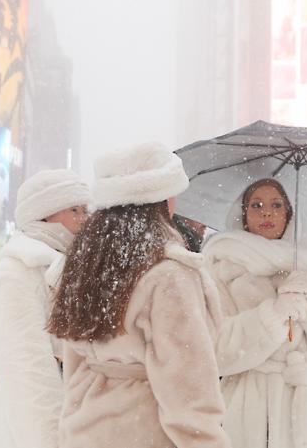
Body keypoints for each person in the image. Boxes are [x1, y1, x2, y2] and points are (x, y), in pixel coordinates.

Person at [48, 142, 229, 448]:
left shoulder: (86, 264)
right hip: (145, 429)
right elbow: (186, 384)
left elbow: (74, 360)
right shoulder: (169, 273)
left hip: (85, 429)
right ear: (159, 199)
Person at [203, 178, 307, 448]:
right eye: (256, 205)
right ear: (243, 215)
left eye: (276, 204)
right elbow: (215, 352)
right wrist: (273, 315)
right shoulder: (221, 269)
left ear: (289, 214)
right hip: (247, 412)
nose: (266, 212)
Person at [0, 169, 91, 448]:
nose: (85, 219)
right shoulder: (17, 276)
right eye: (74, 210)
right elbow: (29, 375)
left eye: (86, 210)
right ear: (44, 214)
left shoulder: (65, 270)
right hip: (32, 433)